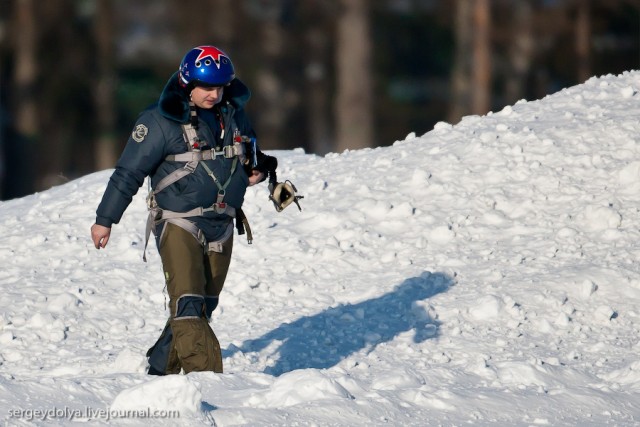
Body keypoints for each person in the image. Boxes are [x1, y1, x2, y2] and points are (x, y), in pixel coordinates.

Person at [90, 45, 278, 375]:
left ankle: (160, 370)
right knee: (187, 301)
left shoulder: (233, 113)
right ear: (187, 83)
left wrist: (254, 172)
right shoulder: (158, 121)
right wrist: (105, 220)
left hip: (222, 221)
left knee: (204, 303)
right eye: (207, 87)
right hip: (179, 223)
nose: (214, 94)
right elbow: (128, 172)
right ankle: (207, 382)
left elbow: (247, 152)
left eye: (220, 87)